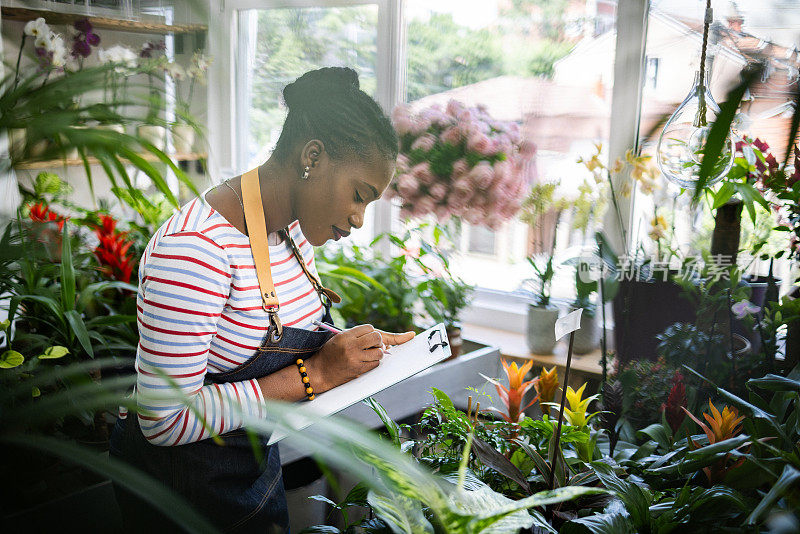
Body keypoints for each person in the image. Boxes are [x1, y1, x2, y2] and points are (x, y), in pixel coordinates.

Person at [109, 66, 414, 533]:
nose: (357, 219)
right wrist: (317, 374)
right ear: (313, 156)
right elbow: (164, 421)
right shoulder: (197, 249)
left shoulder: (290, 230)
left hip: (250, 479)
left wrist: (349, 347)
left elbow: (264, 328)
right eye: (359, 195)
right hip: (184, 500)